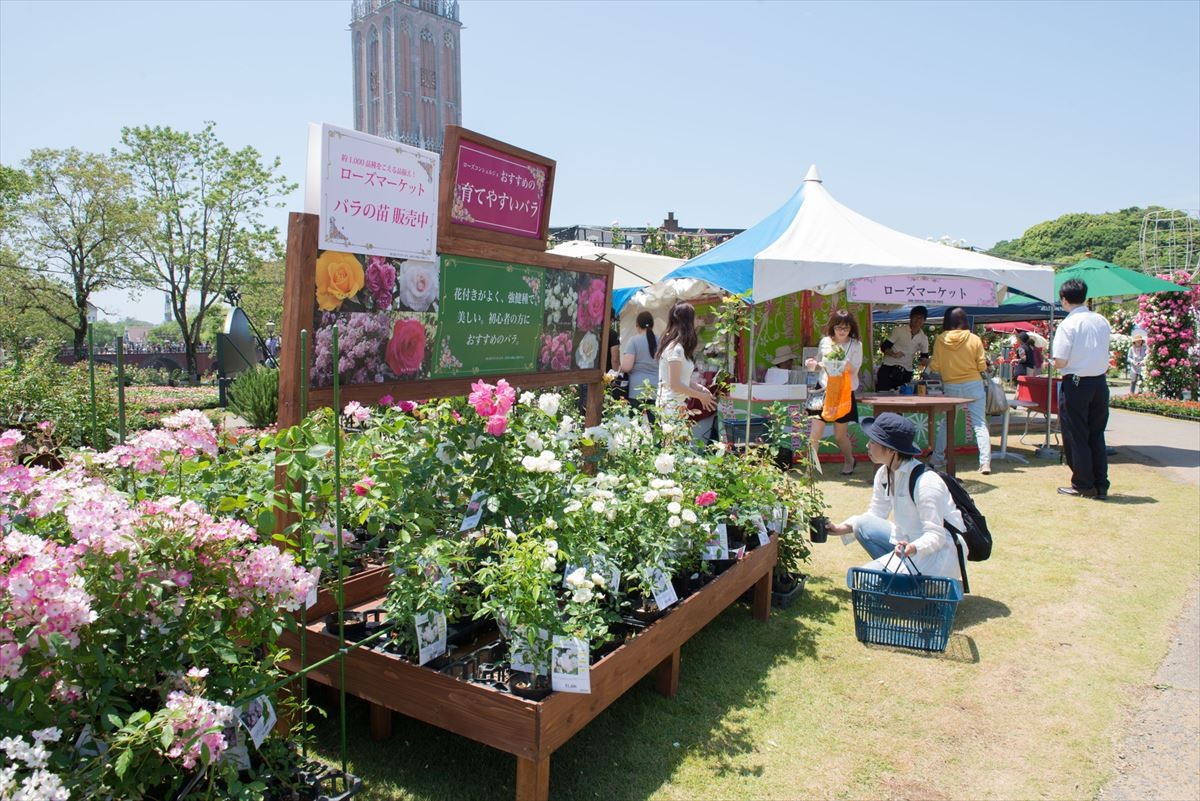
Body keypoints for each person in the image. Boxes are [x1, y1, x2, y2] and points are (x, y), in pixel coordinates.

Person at [824, 413, 968, 580]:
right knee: (862, 525)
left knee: (861, 579)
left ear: (891, 450)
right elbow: (875, 515)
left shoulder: (926, 482)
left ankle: (918, 586)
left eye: (873, 442)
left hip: (937, 555)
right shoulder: (884, 473)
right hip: (907, 544)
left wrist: (913, 547)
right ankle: (899, 581)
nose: (867, 446)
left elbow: (936, 536)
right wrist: (840, 528)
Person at [1052, 278, 1112, 499]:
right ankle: (1100, 483)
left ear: (1064, 299)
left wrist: (1052, 363)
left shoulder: (1068, 324)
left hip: (1076, 381)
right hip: (1099, 381)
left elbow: (1060, 360)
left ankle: (1083, 483)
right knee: (1096, 434)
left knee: (1076, 433)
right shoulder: (1101, 320)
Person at [929, 307, 992, 475]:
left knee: (946, 423)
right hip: (974, 384)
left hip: (951, 386)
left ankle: (937, 459)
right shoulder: (974, 339)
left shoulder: (940, 339)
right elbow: (981, 365)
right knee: (979, 424)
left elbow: (935, 366)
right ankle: (985, 463)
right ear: (963, 321)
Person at [804, 309, 864, 476]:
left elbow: (854, 369)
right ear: (832, 327)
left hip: (843, 392)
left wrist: (839, 362)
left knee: (840, 435)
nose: (842, 331)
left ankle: (849, 460)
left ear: (851, 328)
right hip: (822, 389)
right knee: (815, 433)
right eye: (838, 327)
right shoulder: (825, 341)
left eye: (845, 327)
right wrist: (813, 364)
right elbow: (817, 363)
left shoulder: (856, 345)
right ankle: (809, 470)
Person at [656, 302, 715, 436]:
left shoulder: (679, 347)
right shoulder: (675, 349)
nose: (696, 321)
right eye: (694, 318)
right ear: (687, 321)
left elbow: (680, 379)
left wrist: (699, 388)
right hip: (669, 408)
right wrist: (701, 397)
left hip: (677, 406)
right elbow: (675, 384)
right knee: (672, 451)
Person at [876, 306, 930, 391]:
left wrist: (927, 362)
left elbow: (924, 357)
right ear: (910, 317)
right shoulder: (899, 330)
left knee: (903, 399)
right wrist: (893, 354)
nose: (917, 320)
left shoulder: (924, 338)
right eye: (915, 317)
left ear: (924, 320)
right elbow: (884, 347)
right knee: (882, 396)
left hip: (906, 371)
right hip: (889, 368)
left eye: (921, 318)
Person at [619, 311, 660, 416]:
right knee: (654, 426)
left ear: (637, 325)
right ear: (652, 325)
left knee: (635, 425)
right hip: (655, 389)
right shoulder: (660, 341)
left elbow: (627, 367)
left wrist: (620, 367)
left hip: (636, 389)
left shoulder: (634, 341)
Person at [1127, 329, 1148, 395]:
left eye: (1140, 341)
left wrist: (1142, 362)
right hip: (1134, 367)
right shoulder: (1131, 348)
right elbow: (1129, 358)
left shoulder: (1144, 348)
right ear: (1134, 342)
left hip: (1142, 367)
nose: (1138, 342)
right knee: (1133, 380)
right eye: (1137, 341)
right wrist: (1133, 362)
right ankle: (1131, 393)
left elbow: (1146, 356)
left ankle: (1141, 393)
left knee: (1142, 381)